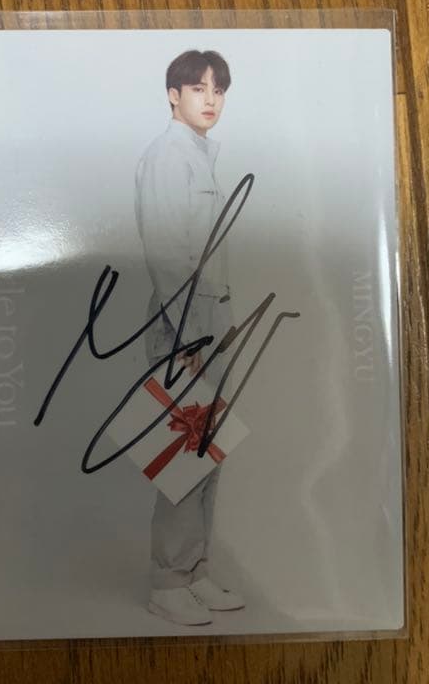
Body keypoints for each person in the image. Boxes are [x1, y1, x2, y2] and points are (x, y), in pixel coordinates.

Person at [134, 50, 245, 626]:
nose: (210, 98)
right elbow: (166, 256)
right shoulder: (166, 157)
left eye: (218, 89)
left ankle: (195, 572)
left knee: (209, 454)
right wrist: (188, 342)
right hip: (184, 326)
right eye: (198, 87)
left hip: (212, 321)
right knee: (183, 456)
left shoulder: (202, 156)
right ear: (173, 95)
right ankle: (168, 582)